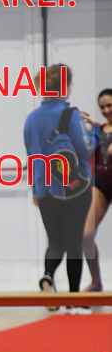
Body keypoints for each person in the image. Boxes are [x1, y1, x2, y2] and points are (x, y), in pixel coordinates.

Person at [23, 64, 93, 298]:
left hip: (45, 190)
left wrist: (36, 189)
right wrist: (91, 131)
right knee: (73, 243)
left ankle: (48, 275)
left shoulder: (31, 119)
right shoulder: (72, 115)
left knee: (55, 242)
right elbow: (85, 149)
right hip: (75, 188)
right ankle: (73, 298)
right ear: (66, 86)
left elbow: (32, 156)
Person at [82, 88, 112, 291]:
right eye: (102, 107)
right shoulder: (100, 129)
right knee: (86, 235)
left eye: (110, 105)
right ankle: (96, 282)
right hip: (101, 185)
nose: (106, 110)